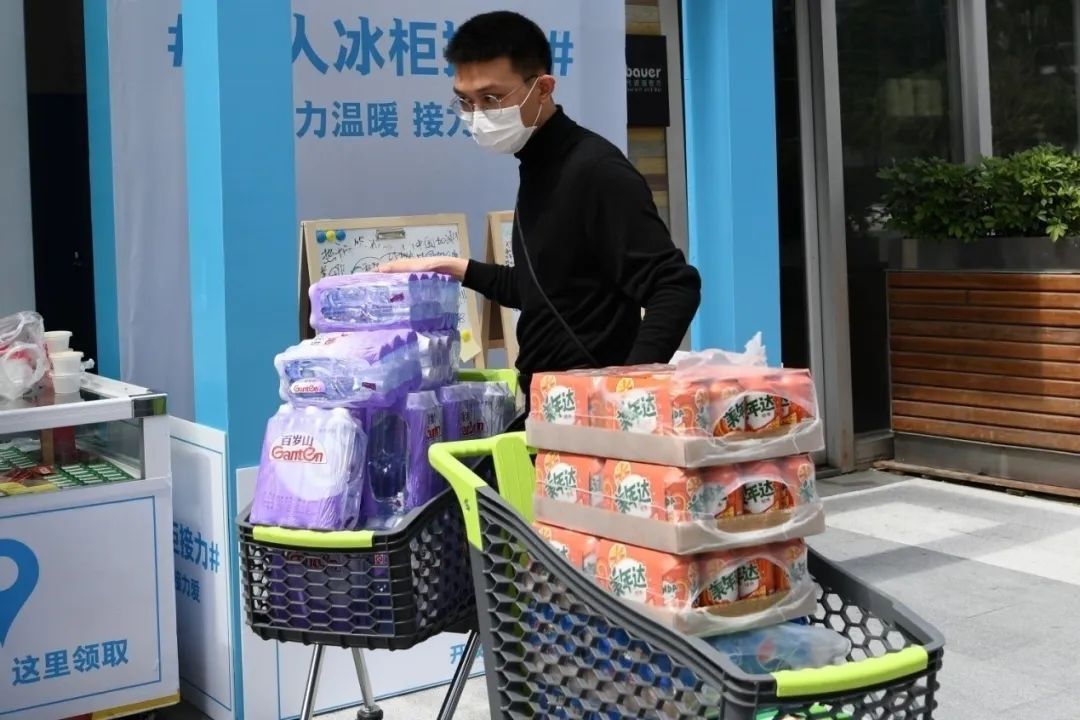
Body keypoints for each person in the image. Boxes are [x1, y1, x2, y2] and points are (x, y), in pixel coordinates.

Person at [381, 10, 701, 409]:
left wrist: (626, 389)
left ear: (543, 88)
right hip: (548, 403)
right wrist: (454, 267)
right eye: (465, 101)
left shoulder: (595, 170)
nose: (477, 115)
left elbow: (674, 285)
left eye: (491, 99)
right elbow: (545, 288)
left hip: (591, 413)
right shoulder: (538, 165)